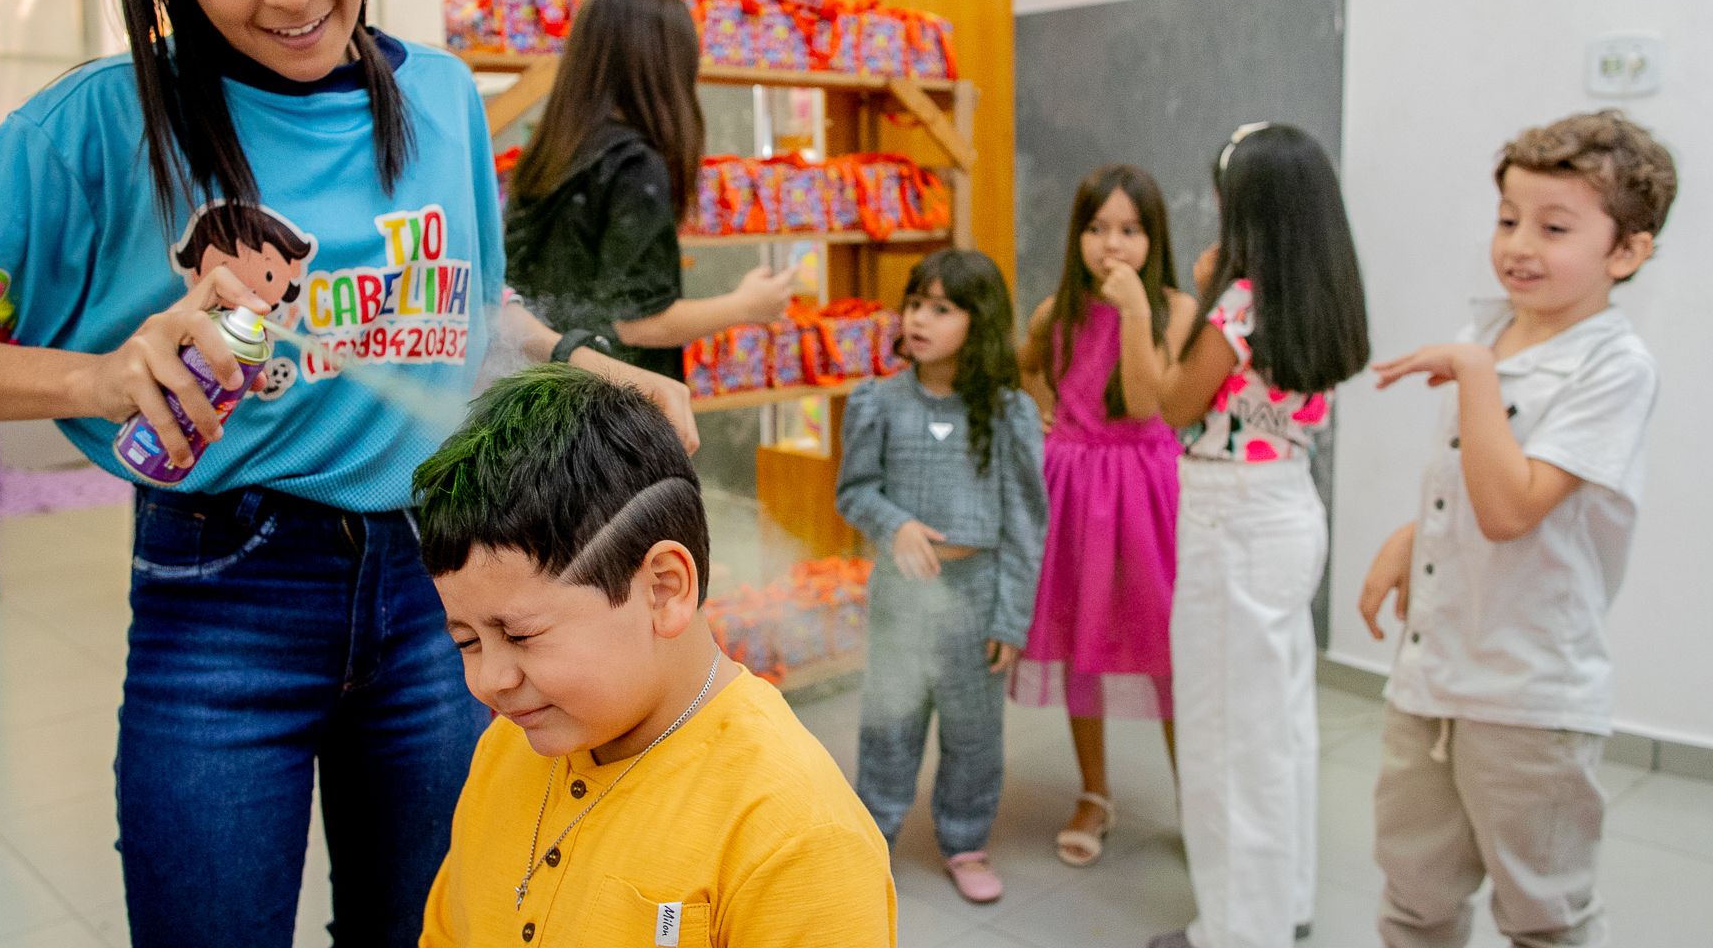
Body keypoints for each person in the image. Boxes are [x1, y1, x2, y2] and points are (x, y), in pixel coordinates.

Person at [0, 0, 691, 948]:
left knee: (430, 924)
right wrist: (101, 376)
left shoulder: (440, 97)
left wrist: (583, 360)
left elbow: (458, 307)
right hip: (223, 598)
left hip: (437, 589)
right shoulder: (101, 124)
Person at [412, 365, 895, 947]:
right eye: (466, 641)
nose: (488, 681)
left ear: (663, 589)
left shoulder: (798, 839)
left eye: (520, 636)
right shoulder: (504, 748)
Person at [1359, 110, 1676, 948]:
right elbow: (1468, 487)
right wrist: (1412, 538)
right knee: (1414, 898)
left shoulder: (1614, 366)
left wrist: (1474, 375)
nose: (1518, 246)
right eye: (1508, 220)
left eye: (1554, 228)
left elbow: (1510, 509)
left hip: (1530, 699)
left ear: (1626, 252)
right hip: (1432, 679)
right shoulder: (1490, 332)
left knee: (1544, 915)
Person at [1126, 123, 1371, 948]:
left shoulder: (1237, 304)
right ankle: (1282, 904)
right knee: (1281, 727)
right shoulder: (1322, 291)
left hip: (1231, 518)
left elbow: (1173, 402)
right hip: (1290, 505)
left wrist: (1187, 304)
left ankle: (1237, 932)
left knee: (1228, 737)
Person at [835, 249, 1050, 904]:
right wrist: (895, 524)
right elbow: (853, 492)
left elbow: (1026, 525)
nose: (919, 319)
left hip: (978, 595)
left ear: (977, 321)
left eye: (941, 308)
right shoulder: (877, 402)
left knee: (974, 732)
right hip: (901, 597)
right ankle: (872, 836)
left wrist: (1011, 618)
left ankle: (965, 840)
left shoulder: (1009, 414)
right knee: (889, 723)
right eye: (914, 304)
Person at [1012, 164, 1193, 867]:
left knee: (1165, 643)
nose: (1111, 244)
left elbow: (1148, 401)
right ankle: (1094, 791)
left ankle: (1195, 798)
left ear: (1154, 237)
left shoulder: (1175, 309)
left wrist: (1137, 311)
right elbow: (1027, 364)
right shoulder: (1056, 311)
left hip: (1146, 489)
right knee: (1078, 637)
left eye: (1129, 229)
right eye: (1096, 228)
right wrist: (1043, 408)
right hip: (1074, 489)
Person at [503, 0, 796, 379]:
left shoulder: (549, 153)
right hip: (611, 392)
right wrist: (745, 305)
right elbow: (636, 321)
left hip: (537, 387)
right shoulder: (634, 165)